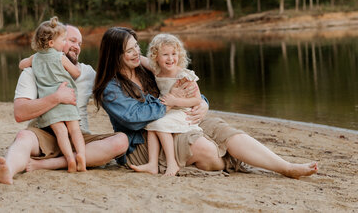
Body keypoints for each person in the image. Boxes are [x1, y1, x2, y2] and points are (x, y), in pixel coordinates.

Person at [93, 26, 318, 178]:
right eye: (128, 50)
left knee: (225, 131)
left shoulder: (144, 67)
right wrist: (169, 104)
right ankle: (234, 160)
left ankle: (287, 168)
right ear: (114, 54)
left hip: (176, 119)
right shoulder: (110, 88)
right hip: (144, 141)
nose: (135, 53)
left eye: (135, 47)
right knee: (208, 150)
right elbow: (135, 119)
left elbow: (180, 82)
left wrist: (202, 103)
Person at [0, 24, 128, 184]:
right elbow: (20, 113)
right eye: (71, 40)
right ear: (54, 41)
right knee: (23, 137)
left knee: (121, 141)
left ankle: (48, 164)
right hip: (44, 134)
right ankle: (8, 170)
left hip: (79, 136)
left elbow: (118, 92)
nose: (77, 47)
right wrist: (56, 97)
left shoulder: (88, 73)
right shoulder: (34, 68)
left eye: (80, 44)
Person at [18, 16, 86, 172]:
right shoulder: (60, 57)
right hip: (67, 100)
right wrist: (78, 70)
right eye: (63, 40)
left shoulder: (35, 58)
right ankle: (81, 155)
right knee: (74, 129)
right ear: (51, 43)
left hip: (50, 105)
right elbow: (76, 73)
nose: (64, 43)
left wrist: (33, 63)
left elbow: (21, 64)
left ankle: (70, 159)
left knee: (61, 132)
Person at [130, 33, 203, 176]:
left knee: (160, 124)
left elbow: (197, 100)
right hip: (168, 110)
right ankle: (152, 164)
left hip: (182, 111)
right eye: (165, 54)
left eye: (174, 54)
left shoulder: (183, 75)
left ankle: (172, 163)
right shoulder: (157, 70)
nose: (170, 59)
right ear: (156, 56)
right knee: (151, 124)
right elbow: (139, 59)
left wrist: (175, 101)